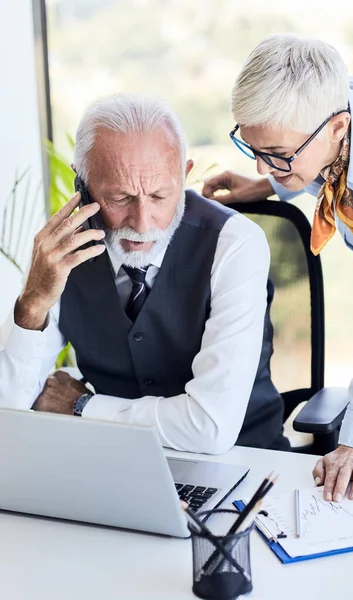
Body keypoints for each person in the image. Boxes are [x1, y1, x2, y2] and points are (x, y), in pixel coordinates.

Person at [0, 93, 289, 453]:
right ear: (82, 184)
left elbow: (209, 428)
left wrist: (82, 407)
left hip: (241, 460)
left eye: (159, 196)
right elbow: (8, 409)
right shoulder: (60, 251)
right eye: (120, 199)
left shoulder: (235, 244)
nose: (142, 223)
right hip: (110, 459)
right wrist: (32, 304)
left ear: (184, 174)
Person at [203, 34, 353, 501]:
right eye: (254, 149)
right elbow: (315, 159)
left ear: (338, 127)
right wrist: (272, 184)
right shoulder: (324, 110)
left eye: (277, 156)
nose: (265, 165)